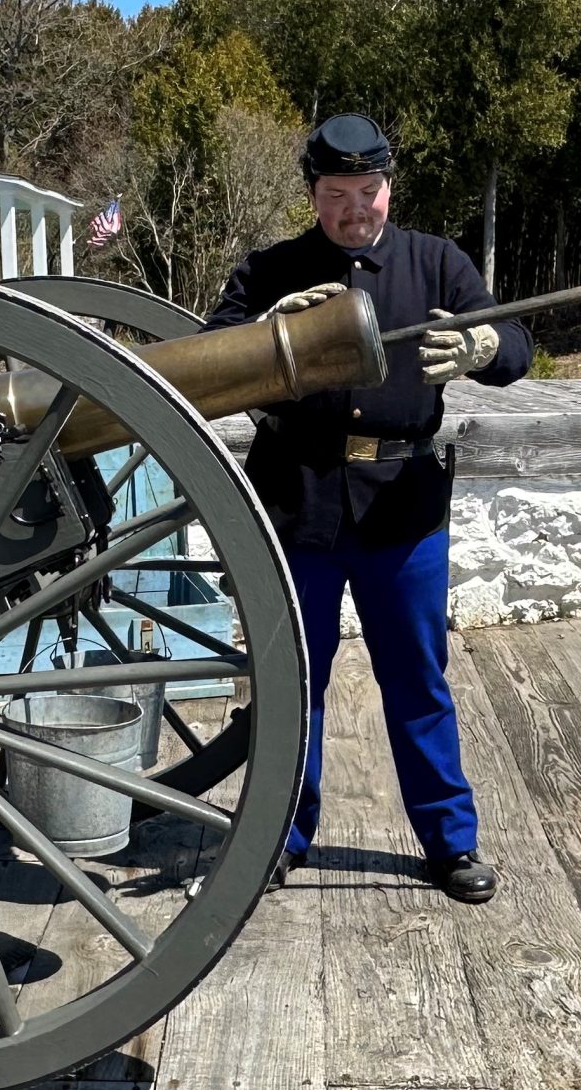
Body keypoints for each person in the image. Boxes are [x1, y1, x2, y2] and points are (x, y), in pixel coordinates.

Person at [205, 114, 531, 901]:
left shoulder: (437, 262)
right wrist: (261, 336)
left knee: (418, 679)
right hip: (299, 499)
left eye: (370, 191)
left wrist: (484, 349)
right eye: (337, 194)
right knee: (294, 682)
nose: (357, 210)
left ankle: (451, 843)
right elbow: (209, 358)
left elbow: (514, 347)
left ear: (391, 187)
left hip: (402, 511)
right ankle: (282, 836)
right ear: (312, 194)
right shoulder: (272, 268)